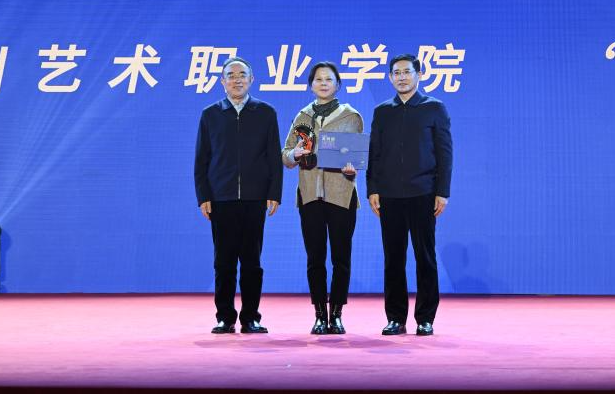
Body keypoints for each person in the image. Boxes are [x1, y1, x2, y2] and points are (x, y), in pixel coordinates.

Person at [194, 57, 283, 334]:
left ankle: (251, 317)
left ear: (251, 79)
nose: (237, 80)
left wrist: (274, 193)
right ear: (222, 82)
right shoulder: (211, 114)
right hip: (221, 198)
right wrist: (203, 196)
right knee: (224, 262)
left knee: (252, 262)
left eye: (242, 75)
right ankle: (225, 317)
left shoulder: (265, 112)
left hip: (255, 198)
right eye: (231, 75)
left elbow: (273, 157)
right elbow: (201, 160)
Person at [367, 54, 452, 336]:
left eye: (407, 72)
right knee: (393, 258)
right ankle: (395, 318)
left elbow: (445, 153)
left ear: (419, 75)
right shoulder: (382, 111)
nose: (401, 77)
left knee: (425, 257)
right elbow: (374, 153)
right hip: (389, 195)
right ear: (390, 77)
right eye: (396, 73)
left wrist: (442, 191)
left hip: (423, 193)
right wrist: (372, 188)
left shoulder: (434, 108)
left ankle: (425, 318)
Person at [282, 61, 363, 335]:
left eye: (329, 79)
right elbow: (285, 155)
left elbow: (358, 156)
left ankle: (336, 314)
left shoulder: (351, 116)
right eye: (318, 79)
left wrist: (353, 167)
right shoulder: (302, 116)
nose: (324, 83)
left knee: (341, 258)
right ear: (311, 85)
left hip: (341, 195)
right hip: (309, 196)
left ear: (338, 84)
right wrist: (294, 154)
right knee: (315, 258)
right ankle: (319, 314)